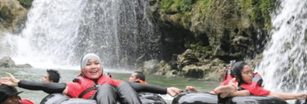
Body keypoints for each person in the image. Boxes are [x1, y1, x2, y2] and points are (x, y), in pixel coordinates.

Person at [0, 53, 182, 104]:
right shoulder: (77, 85)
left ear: (102, 66)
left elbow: (140, 88)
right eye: (89, 64)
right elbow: (46, 87)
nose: (93, 67)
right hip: (96, 99)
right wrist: (18, 83)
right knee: (105, 88)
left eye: (96, 63)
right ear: (82, 69)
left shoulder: (111, 80)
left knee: (126, 86)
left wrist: (166, 90)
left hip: (119, 96)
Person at [227, 61, 307, 100]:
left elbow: (275, 95)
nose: (251, 75)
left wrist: (297, 96)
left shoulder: (254, 88)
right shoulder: (232, 82)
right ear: (237, 76)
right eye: (246, 73)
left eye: (251, 72)